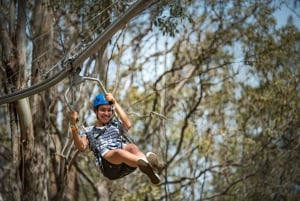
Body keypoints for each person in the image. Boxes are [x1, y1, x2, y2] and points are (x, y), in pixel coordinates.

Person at [68, 92, 161, 184]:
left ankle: (148, 167)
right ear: (96, 111)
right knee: (119, 152)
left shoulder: (115, 124)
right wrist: (73, 124)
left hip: (126, 162)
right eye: (102, 110)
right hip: (109, 166)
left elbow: (128, 124)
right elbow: (81, 147)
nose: (106, 113)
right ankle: (145, 163)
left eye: (109, 110)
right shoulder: (89, 131)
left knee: (132, 147)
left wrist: (114, 102)